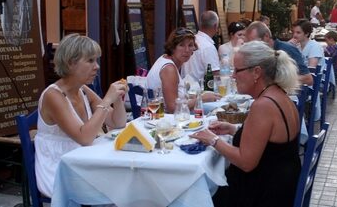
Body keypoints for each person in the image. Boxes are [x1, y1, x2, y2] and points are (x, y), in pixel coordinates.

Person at [191, 41, 301, 207]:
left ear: (256, 72)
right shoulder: (280, 95)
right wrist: (234, 129)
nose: (233, 76)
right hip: (279, 188)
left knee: (197, 195)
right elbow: (270, 144)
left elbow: (246, 163)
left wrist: (213, 140)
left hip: (262, 195)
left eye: (238, 70)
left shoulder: (263, 105)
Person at [34, 34, 127, 197]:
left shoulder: (82, 89)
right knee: (122, 186)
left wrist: (118, 99)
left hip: (82, 160)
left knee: (127, 181)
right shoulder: (53, 95)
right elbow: (84, 138)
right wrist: (106, 100)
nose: (96, 66)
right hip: (60, 170)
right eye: (90, 61)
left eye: (96, 60)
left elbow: (117, 122)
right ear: (71, 63)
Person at [148, 28, 221, 113]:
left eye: (190, 45)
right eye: (181, 45)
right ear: (172, 47)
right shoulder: (169, 69)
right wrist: (201, 99)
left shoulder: (166, 58)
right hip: (163, 119)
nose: (186, 50)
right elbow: (173, 108)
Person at [245, 21, 314, 86]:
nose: (252, 47)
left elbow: (308, 79)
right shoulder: (261, 53)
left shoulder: (287, 49)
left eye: (254, 43)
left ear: (266, 36)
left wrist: (278, 81)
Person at [182, 10, 221, 81]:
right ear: (215, 26)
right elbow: (215, 75)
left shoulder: (192, 41)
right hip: (200, 89)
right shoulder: (209, 47)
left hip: (185, 86)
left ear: (200, 24)